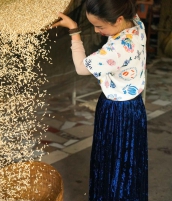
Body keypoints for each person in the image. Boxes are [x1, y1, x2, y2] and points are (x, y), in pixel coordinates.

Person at [53, 0, 148, 200]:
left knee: (112, 163)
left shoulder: (115, 49)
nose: (96, 31)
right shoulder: (137, 24)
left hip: (117, 111)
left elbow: (80, 67)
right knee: (129, 163)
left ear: (119, 19)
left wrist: (73, 30)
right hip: (135, 108)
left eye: (100, 26)